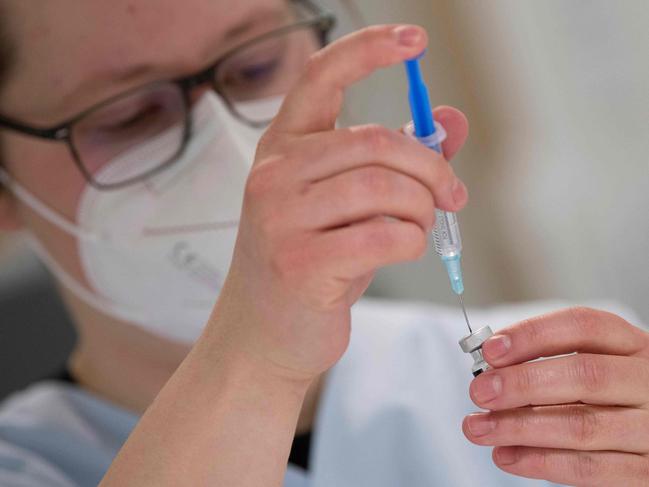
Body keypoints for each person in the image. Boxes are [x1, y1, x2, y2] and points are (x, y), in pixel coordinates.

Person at [0, 0, 647, 485]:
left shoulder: (584, 386)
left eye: (254, 65)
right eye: (129, 114)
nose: (230, 153)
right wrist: (256, 358)